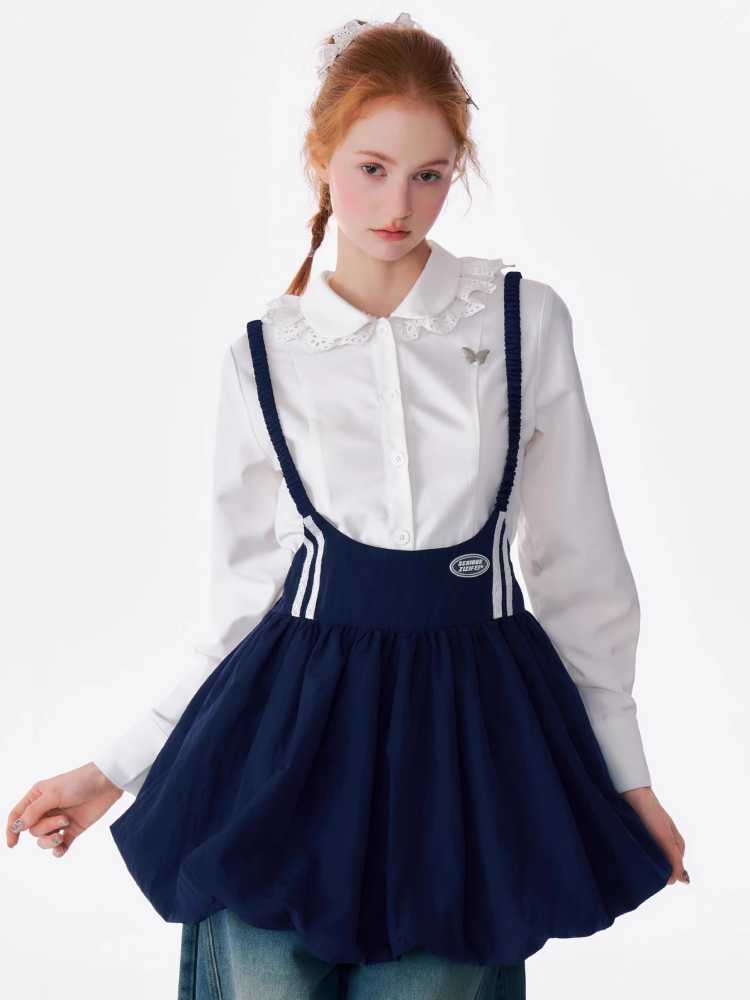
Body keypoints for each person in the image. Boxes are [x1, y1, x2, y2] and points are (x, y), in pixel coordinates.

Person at [6, 12, 689, 999]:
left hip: (470, 738)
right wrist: (109, 772)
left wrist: (627, 776)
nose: (398, 205)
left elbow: (580, 568)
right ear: (320, 158)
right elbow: (239, 615)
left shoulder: (521, 321)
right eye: (372, 168)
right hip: (288, 743)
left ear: (458, 171)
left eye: (429, 174)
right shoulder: (264, 355)